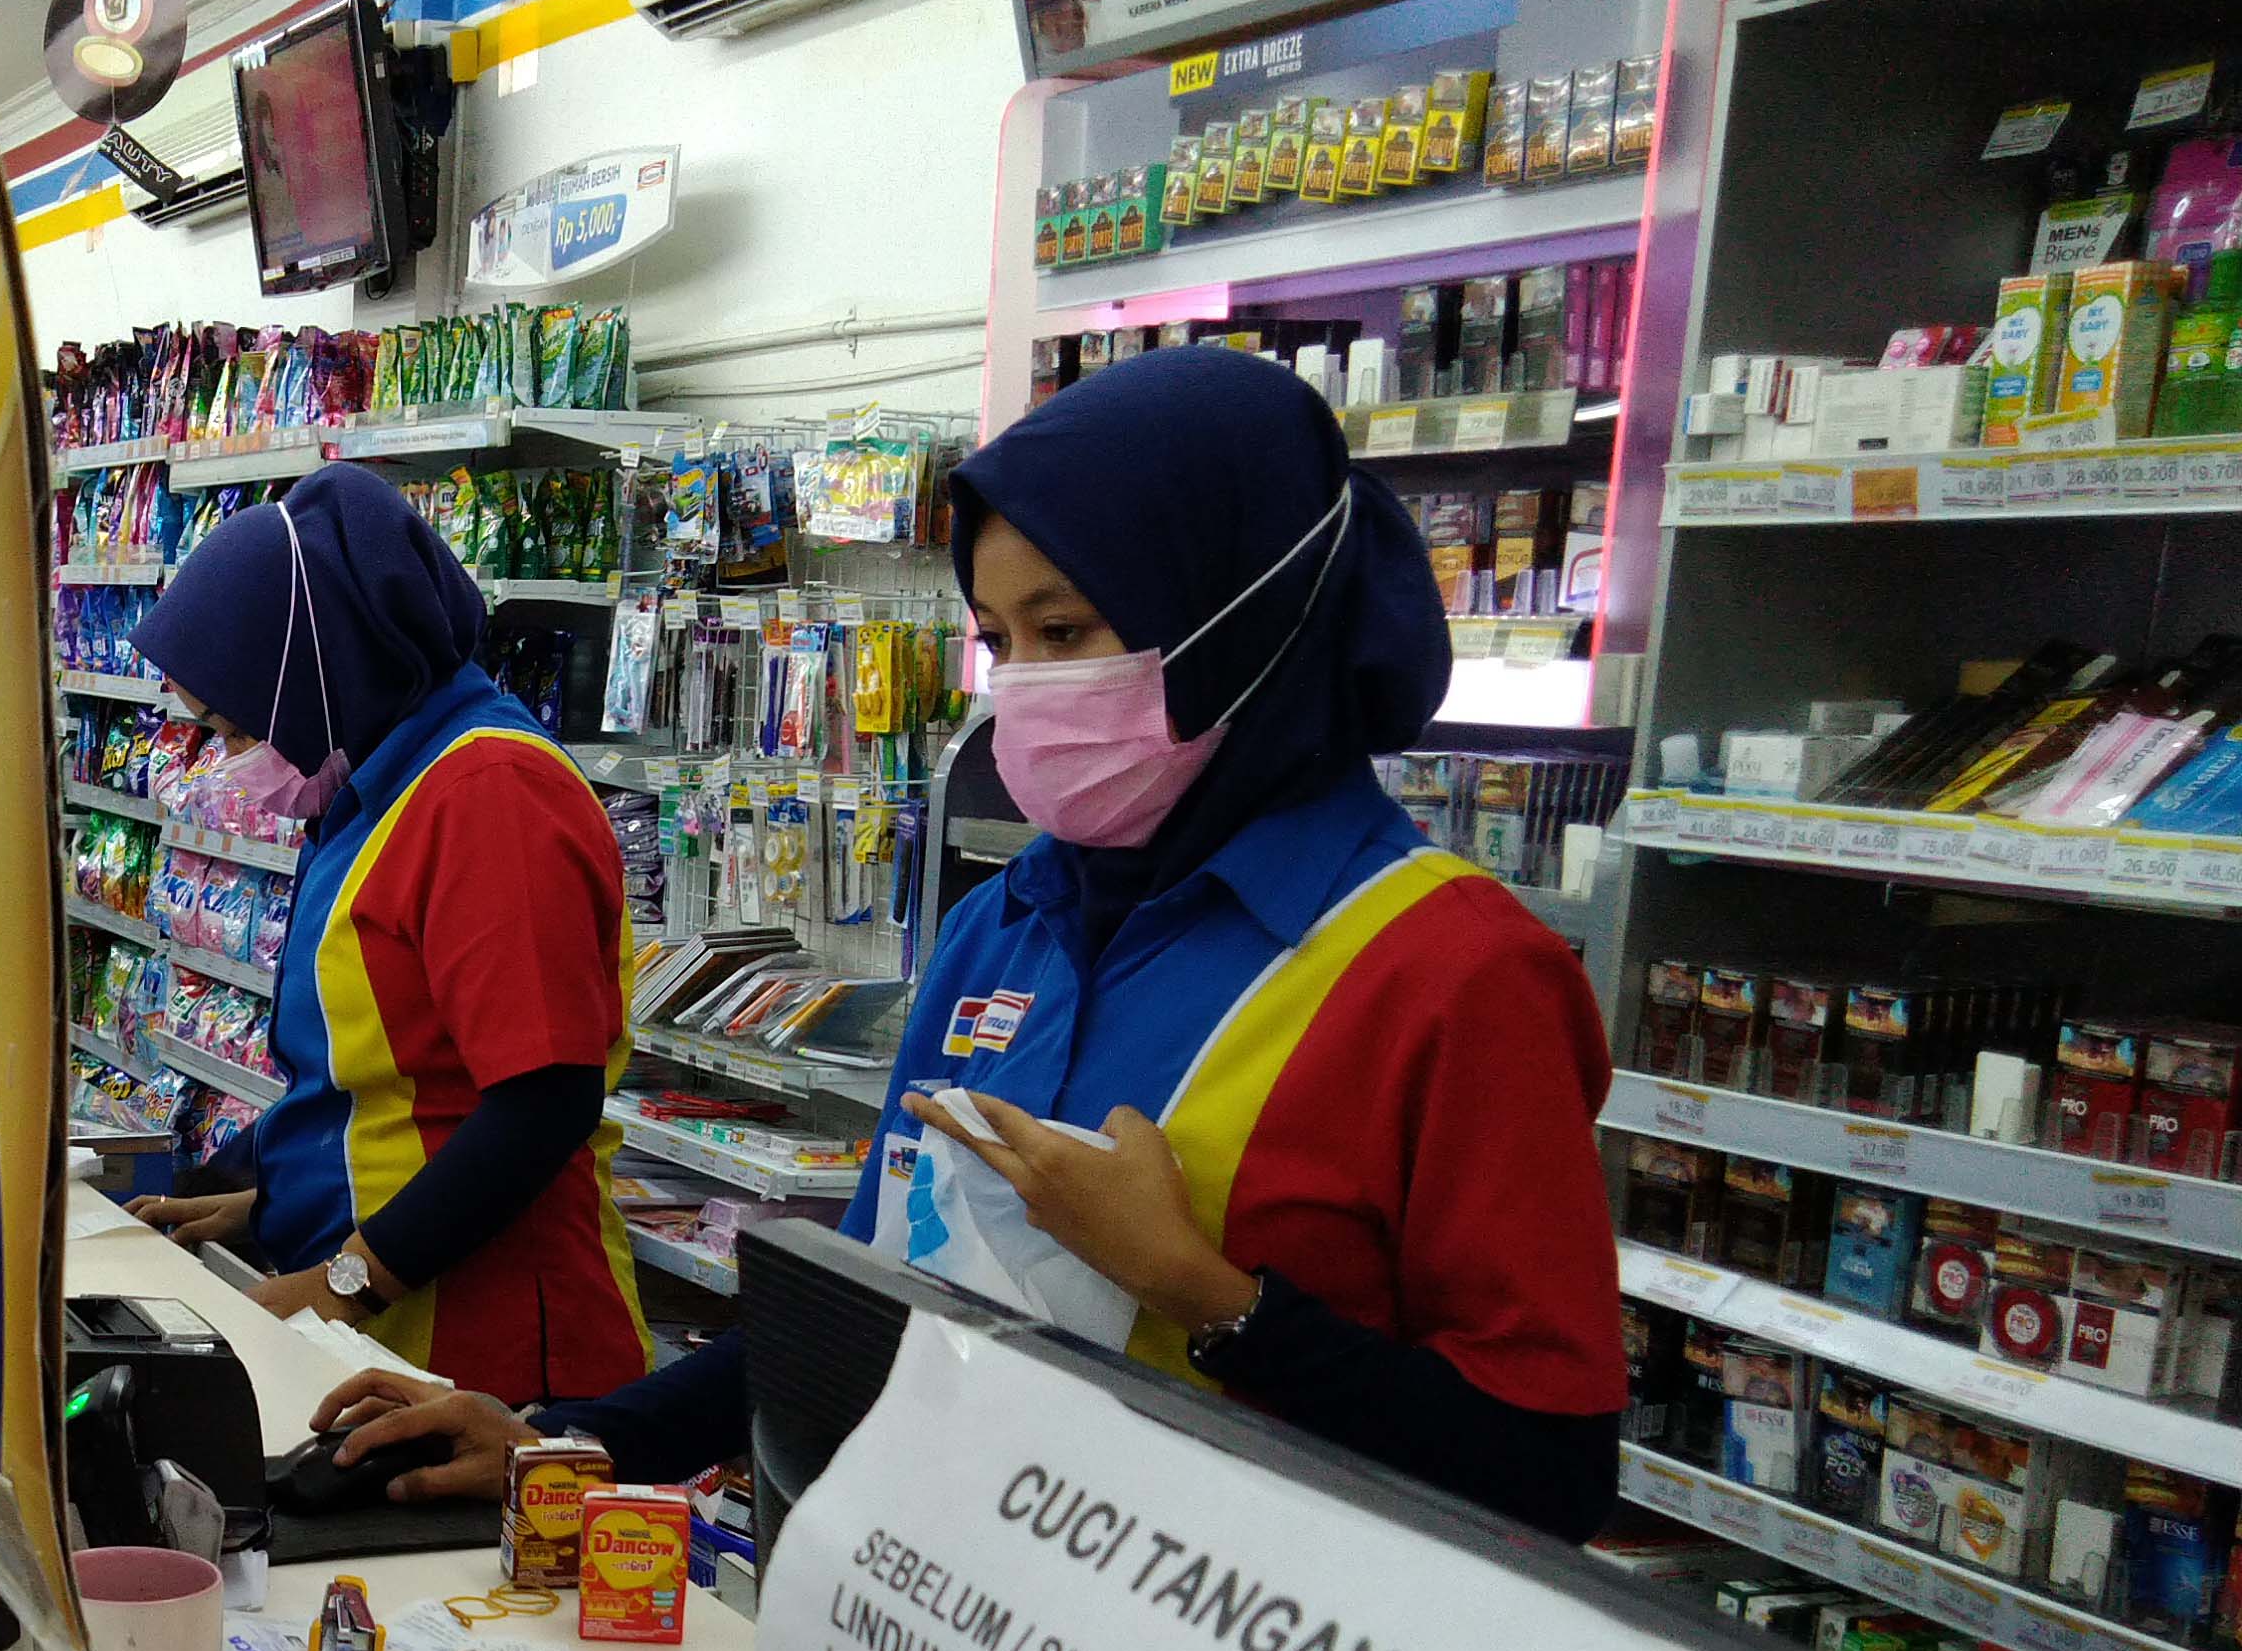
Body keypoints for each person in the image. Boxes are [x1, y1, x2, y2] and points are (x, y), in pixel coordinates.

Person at [315, 344, 1624, 1542]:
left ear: (1245, 614)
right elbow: (889, 1291)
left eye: (1065, 632)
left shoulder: (1454, 975)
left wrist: (1207, 1292)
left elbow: (1549, 1472)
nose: (1024, 692)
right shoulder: (1013, 924)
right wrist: (571, 1439)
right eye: (999, 642)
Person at [126, 462, 648, 1405]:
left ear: (323, 669)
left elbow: (540, 1106)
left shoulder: (490, 794)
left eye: (236, 726)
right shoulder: (370, 786)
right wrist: (266, 1200)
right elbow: (385, 1084)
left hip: (488, 1352)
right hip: (382, 1328)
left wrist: (341, 1283)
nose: (229, 758)